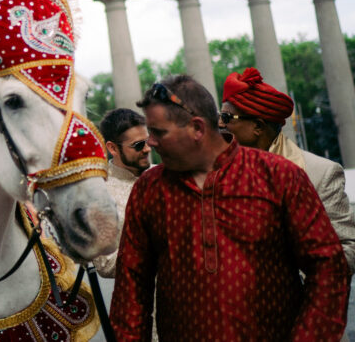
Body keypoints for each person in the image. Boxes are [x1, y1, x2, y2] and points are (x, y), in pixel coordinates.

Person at [111, 75, 350, 341]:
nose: (151, 143)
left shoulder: (279, 176)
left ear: (198, 128)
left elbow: (328, 268)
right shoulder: (149, 189)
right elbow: (130, 288)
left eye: (158, 132)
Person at [220, 67, 355, 273]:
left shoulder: (320, 173)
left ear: (257, 126)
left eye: (227, 117)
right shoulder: (214, 172)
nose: (220, 123)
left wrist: (285, 268)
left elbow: (348, 249)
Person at [93, 107, 150, 278]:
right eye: (139, 145)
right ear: (113, 148)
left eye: (148, 141)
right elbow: (105, 264)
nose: (147, 149)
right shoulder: (99, 194)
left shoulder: (165, 175)